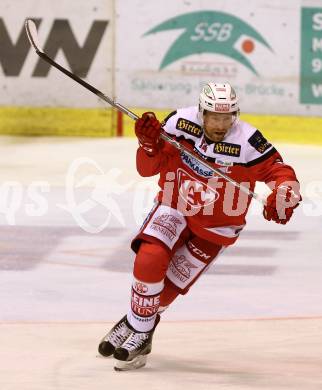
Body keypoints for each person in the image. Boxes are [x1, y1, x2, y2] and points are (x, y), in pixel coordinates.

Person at [98, 82, 301, 371]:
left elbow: (280, 172)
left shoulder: (248, 140)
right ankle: (141, 331)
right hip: (175, 205)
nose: (221, 124)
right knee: (150, 256)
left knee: (168, 288)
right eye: (215, 117)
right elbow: (146, 169)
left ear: (236, 114)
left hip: (218, 225)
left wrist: (283, 195)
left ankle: (134, 322)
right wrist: (148, 145)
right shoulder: (179, 122)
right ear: (201, 112)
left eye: (227, 117)